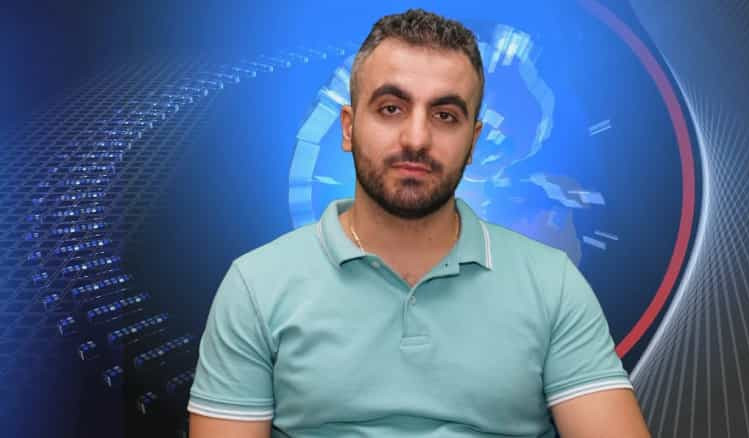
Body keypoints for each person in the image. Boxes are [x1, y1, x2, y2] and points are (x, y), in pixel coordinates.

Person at [187, 9, 651, 438]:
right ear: (348, 127)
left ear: (473, 142)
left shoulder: (551, 284)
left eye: (445, 116)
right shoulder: (256, 286)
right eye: (391, 108)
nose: (416, 138)